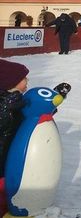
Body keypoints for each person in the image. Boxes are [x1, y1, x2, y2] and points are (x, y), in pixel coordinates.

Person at [0, 59, 29, 216]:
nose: (27, 81)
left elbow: (30, 114)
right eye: (24, 78)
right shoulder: (6, 103)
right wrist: (8, 105)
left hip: (10, 151)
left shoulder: (16, 100)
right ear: (12, 82)